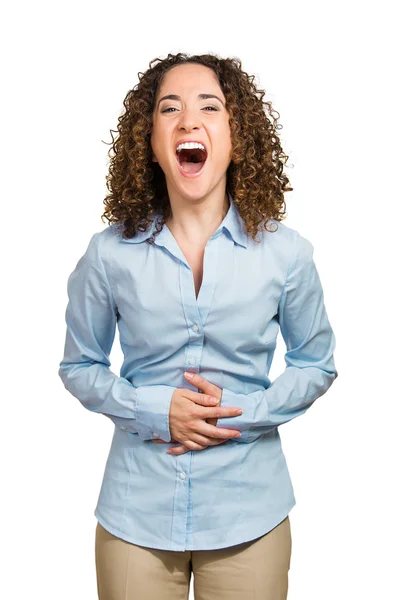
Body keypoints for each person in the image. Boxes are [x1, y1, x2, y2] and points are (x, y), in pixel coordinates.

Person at [58, 52, 338, 600]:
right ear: (151, 142)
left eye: (210, 106)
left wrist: (243, 415)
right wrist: (154, 409)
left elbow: (316, 363)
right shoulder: (107, 255)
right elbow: (79, 365)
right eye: (170, 109)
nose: (189, 121)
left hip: (249, 516)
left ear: (237, 137)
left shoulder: (287, 254)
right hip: (135, 518)